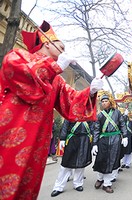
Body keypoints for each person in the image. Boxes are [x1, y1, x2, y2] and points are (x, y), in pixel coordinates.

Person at [0, 20, 103, 200]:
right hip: (11, 133)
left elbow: (71, 103)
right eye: (61, 47)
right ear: (47, 43)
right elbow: (22, 77)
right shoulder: (18, 55)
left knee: (27, 185)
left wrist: (91, 91)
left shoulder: (56, 79)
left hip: (37, 141)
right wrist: (54, 67)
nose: (64, 51)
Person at [92, 93, 128, 193]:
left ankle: (107, 184)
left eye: (106, 101)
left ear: (110, 102)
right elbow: (96, 130)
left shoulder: (117, 113)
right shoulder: (100, 115)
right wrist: (94, 143)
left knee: (111, 161)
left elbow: (122, 125)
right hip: (103, 140)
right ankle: (100, 178)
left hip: (115, 139)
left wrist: (125, 136)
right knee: (100, 159)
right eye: (102, 101)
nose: (104, 103)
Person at [51, 119, 94, 197]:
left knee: (81, 163)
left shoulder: (88, 114)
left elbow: (92, 127)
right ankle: (58, 187)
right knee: (66, 164)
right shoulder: (72, 112)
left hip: (84, 140)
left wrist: (94, 142)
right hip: (72, 139)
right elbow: (65, 125)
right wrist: (63, 138)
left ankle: (78, 184)